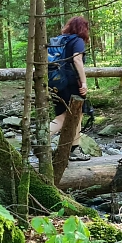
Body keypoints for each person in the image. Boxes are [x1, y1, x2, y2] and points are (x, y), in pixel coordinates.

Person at [49, 15, 90, 148]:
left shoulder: (61, 40)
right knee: (74, 114)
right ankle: (74, 148)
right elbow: (77, 60)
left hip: (56, 83)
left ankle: (42, 138)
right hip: (72, 84)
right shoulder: (77, 41)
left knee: (63, 114)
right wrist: (84, 83)